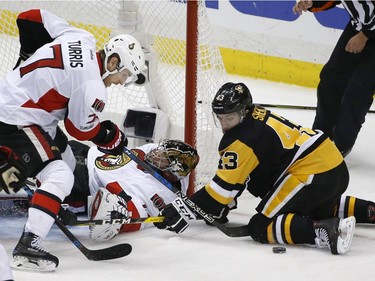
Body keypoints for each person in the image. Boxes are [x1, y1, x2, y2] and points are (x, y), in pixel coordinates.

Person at [0, 9, 146, 272]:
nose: (119, 83)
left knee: (66, 160)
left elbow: (30, 17)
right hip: (15, 120)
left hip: (16, 103)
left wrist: (26, 57)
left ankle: (49, 205)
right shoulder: (92, 85)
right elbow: (79, 129)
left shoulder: (81, 37)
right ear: (112, 62)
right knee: (60, 176)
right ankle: (28, 245)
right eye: (123, 76)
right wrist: (111, 137)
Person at [154, 82, 375, 255]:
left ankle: (322, 231)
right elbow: (237, 179)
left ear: (244, 111)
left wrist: (184, 208)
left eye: (229, 117)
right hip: (331, 166)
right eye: (220, 117)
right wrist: (218, 206)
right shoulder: (257, 115)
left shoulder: (241, 141)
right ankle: (370, 211)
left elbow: (222, 192)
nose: (224, 124)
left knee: (261, 226)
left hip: (312, 173)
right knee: (312, 205)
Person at [63, 139, 199, 241]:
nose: (156, 152)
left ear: (173, 169)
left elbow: (132, 215)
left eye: (163, 155)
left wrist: (117, 219)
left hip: (83, 181)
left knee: (50, 177)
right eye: (160, 150)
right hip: (84, 151)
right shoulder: (152, 155)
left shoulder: (163, 195)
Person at [293, 0, 375, 157]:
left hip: (365, 32)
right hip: (358, 28)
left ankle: (340, 146)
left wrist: (365, 35)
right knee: (330, 79)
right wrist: (311, 4)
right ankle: (320, 136)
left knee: (358, 91)